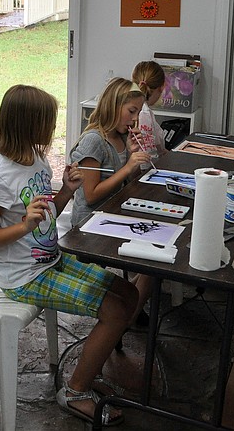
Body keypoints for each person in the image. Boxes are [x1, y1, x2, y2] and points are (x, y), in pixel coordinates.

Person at [0, 85, 137, 426]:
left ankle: (88, 371)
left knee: (130, 294)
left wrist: (66, 191)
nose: (52, 128)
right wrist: (23, 225)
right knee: (115, 310)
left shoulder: (37, 160)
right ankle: (76, 391)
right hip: (23, 277)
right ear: (28, 124)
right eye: (47, 122)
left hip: (51, 259)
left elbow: (47, 214)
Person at [70, 77, 153, 328]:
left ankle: (129, 308)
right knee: (151, 259)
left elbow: (127, 184)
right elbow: (91, 194)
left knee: (155, 255)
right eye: (131, 111)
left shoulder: (119, 138)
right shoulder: (94, 141)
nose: (135, 119)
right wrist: (127, 167)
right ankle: (123, 315)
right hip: (89, 224)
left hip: (112, 214)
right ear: (113, 106)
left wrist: (132, 156)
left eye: (138, 113)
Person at [131, 60, 168, 156]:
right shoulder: (145, 113)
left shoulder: (143, 111)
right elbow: (153, 153)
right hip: (143, 163)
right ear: (161, 87)